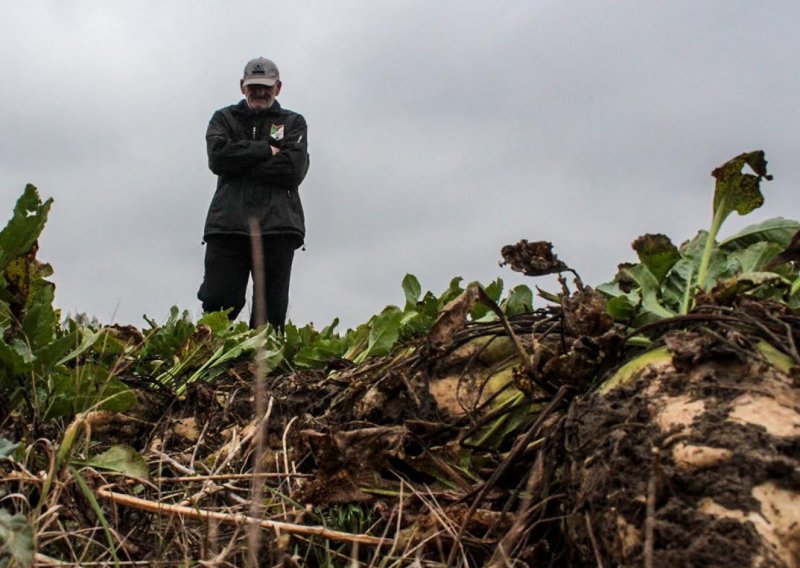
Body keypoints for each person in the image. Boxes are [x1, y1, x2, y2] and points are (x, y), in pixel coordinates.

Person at [198, 57, 309, 331]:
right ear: (242, 86)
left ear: (278, 87)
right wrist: (264, 150)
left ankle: (263, 369)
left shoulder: (293, 122)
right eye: (253, 87)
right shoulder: (223, 118)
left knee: (269, 318)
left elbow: (292, 169)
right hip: (228, 226)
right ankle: (211, 359)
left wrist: (240, 162)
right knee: (218, 302)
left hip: (278, 226)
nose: (260, 92)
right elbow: (218, 158)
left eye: (266, 87)